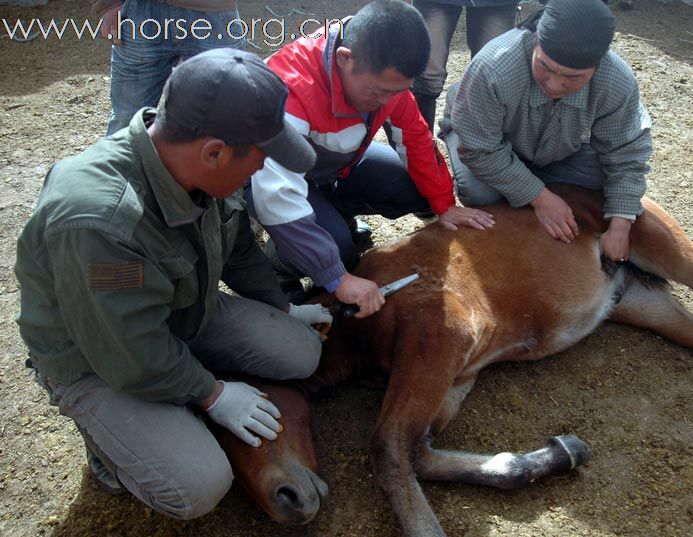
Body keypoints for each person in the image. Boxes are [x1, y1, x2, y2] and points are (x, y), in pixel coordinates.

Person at [15, 49, 332, 519]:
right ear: (214, 152)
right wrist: (213, 394)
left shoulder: (204, 170)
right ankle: (105, 437)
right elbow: (129, 348)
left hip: (183, 310)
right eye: (261, 157)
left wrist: (282, 307)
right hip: (97, 358)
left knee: (302, 351)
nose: (262, 169)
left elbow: (238, 247)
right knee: (196, 486)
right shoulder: (100, 220)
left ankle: (181, 382)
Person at [248, 0, 495, 318]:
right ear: (344, 59)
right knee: (336, 248)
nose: (388, 101)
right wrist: (335, 276)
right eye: (378, 92)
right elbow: (275, 193)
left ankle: (337, 214)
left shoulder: (381, 76)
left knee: (414, 189)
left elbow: (416, 138)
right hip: (271, 178)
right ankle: (278, 265)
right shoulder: (290, 89)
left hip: (333, 166)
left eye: (399, 90)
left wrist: (444, 204)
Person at [443, 0, 651, 262]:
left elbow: (627, 151)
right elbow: (479, 149)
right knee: (481, 194)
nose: (553, 84)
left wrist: (621, 224)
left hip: (558, 146)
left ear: (597, 67)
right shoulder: (493, 67)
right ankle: (533, 181)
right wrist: (540, 198)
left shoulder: (616, 79)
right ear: (535, 43)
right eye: (545, 67)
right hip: (484, 134)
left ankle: (533, 177)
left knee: (603, 180)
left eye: (572, 78)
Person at [93, 0, 245, 135]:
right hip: (140, 12)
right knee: (126, 122)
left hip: (215, 13)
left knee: (222, 120)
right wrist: (107, 5)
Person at [408, 0, 518, 133]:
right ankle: (422, 146)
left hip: (496, 3)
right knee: (426, 77)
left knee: (492, 80)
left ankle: (479, 147)